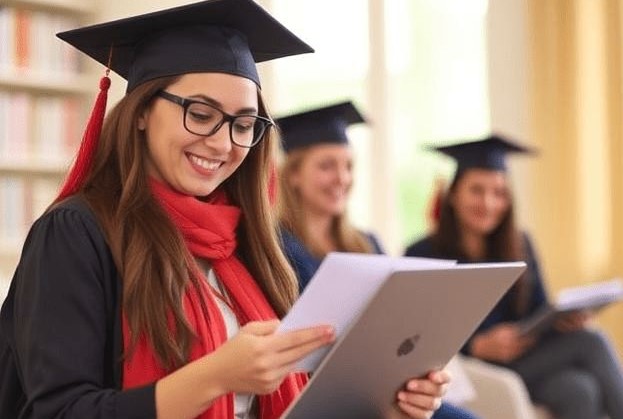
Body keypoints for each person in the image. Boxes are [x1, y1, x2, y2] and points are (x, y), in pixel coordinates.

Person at [0, 2, 450, 418]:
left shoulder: (245, 243)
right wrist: (215, 377)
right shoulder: (78, 233)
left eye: (244, 123)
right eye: (200, 113)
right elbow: (59, 411)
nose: (223, 143)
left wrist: (387, 405)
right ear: (140, 111)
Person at [276, 101, 480, 419]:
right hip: (330, 396)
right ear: (293, 176)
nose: (342, 178)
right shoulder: (280, 247)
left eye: (348, 166)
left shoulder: (366, 242)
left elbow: (404, 315)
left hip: (394, 385)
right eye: (326, 166)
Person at [404, 135, 623, 419]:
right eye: (477, 190)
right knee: (591, 342)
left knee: (578, 389)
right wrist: (476, 345)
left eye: (499, 192)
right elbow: (415, 334)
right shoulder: (422, 252)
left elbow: (540, 309)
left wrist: (562, 321)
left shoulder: (521, 245)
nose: (489, 202)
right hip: (480, 369)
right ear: (454, 195)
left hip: (530, 359)